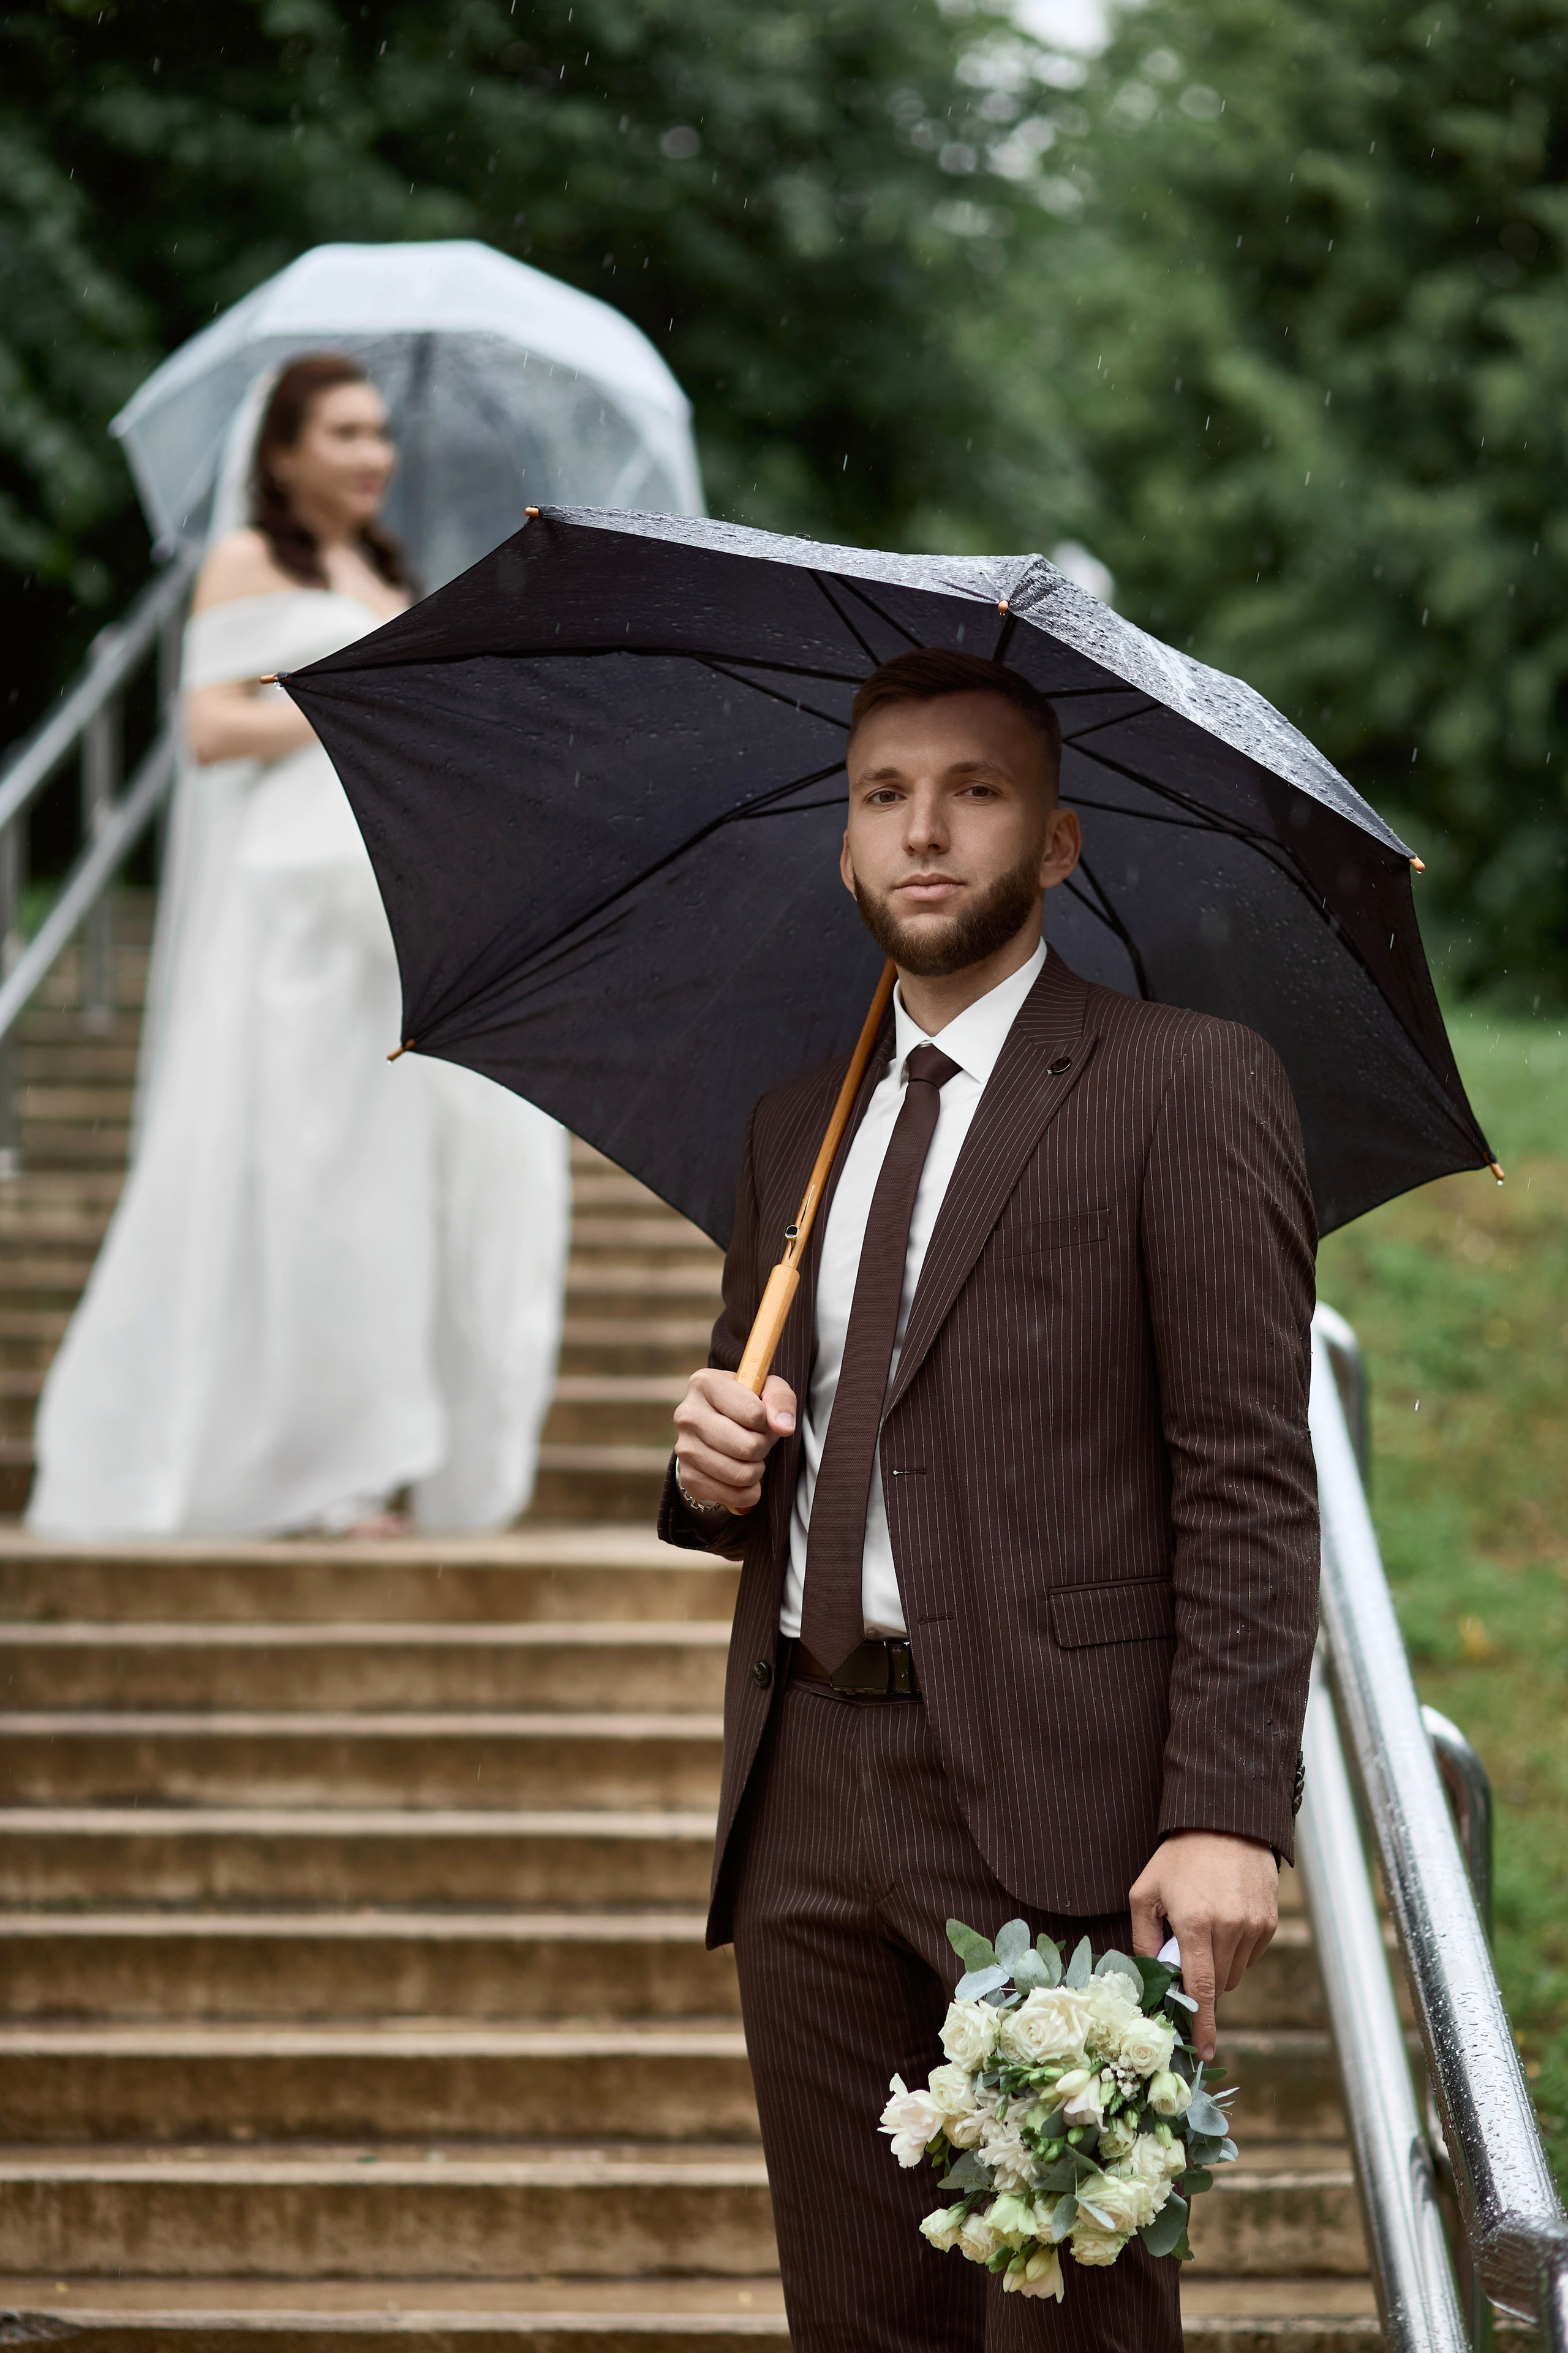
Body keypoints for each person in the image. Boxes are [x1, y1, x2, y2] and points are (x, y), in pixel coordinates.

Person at [660, 648, 1319, 2351]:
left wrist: (1229, 1802)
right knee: (861, 2320)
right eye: (884, 795)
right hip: (804, 1785)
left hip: (1061, 1791)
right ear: (845, 847)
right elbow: (772, 1443)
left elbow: (1246, 1471)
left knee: (1069, 2319)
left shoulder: (1187, 1080)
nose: (925, 829)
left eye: (976, 790)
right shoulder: (792, 1126)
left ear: (1061, 839)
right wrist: (710, 1467)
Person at [28, 354, 568, 1537]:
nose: (372, 455)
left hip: (397, 904)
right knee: (315, 1175)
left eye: (379, 433)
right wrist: (345, 693)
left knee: (407, 1186)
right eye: (343, 433)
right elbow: (213, 725)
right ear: (281, 453)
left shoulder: (388, 573)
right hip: (295, 918)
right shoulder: (246, 562)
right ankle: (319, 1470)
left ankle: (392, 1448)